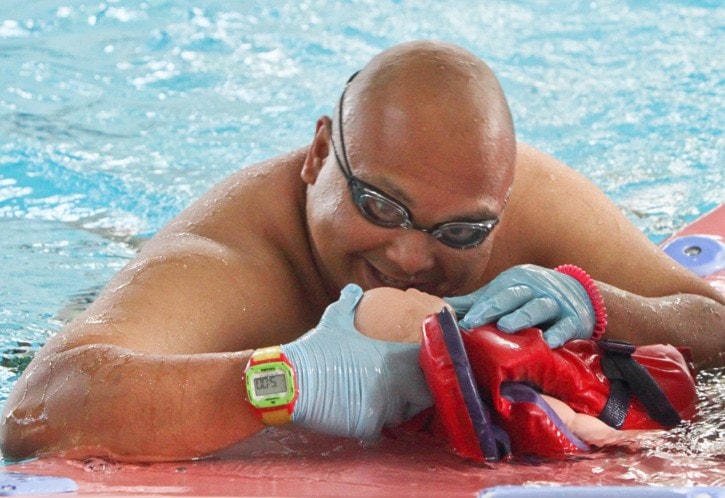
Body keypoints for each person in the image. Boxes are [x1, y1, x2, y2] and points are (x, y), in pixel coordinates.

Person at [1, 40, 722, 463]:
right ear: (319, 154)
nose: (410, 256)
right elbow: (37, 408)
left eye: (460, 233)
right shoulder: (228, 262)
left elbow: (711, 319)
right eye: (378, 205)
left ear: (502, 209)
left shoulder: (522, 197)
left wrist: (601, 303)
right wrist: (290, 380)